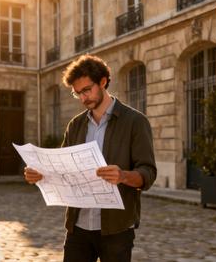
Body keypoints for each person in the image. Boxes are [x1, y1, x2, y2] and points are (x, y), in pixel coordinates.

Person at [23, 55, 157, 262]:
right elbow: (62, 169)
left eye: (87, 90)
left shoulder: (135, 122)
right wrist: (40, 175)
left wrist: (123, 176)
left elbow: (148, 173)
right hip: (78, 227)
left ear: (103, 81)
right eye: (78, 94)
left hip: (117, 228)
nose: (83, 98)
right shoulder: (75, 125)